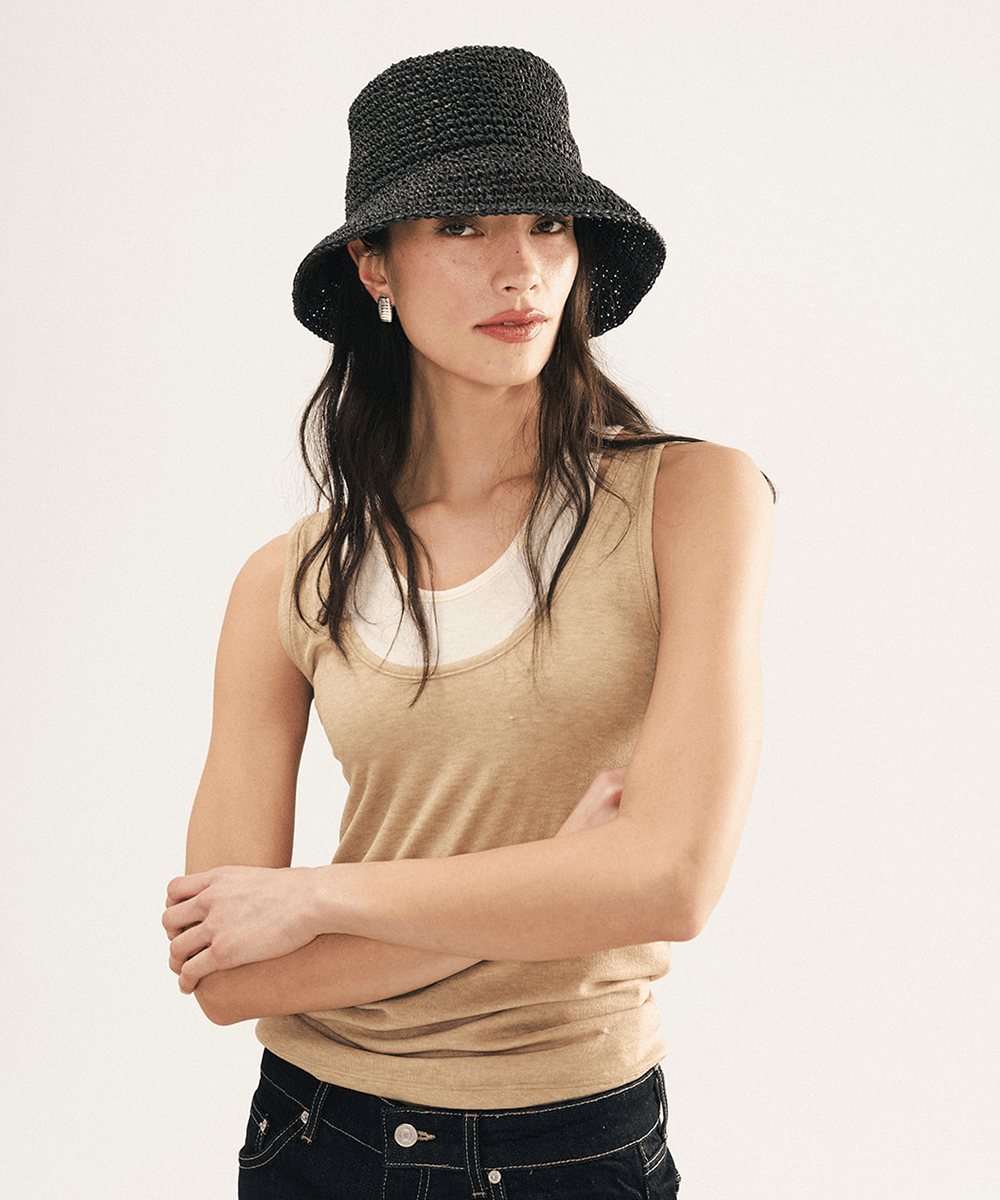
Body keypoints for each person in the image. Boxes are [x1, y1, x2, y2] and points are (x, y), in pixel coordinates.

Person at [162, 45, 774, 1198]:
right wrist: (564, 879)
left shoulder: (693, 502)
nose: (520, 269)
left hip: (570, 1148)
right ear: (373, 264)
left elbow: (672, 885)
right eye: (460, 228)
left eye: (549, 224)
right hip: (313, 1138)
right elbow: (226, 976)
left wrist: (315, 896)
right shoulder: (282, 584)